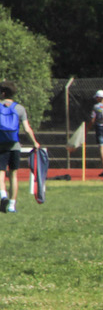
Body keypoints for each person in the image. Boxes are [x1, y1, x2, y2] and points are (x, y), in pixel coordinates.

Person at [0, 82, 43, 214]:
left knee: (1, 173)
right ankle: (12, 205)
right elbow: (27, 129)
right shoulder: (19, 108)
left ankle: (3, 196)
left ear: (3, 93)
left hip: (1, 146)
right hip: (15, 146)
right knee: (13, 175)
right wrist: (35, 142)